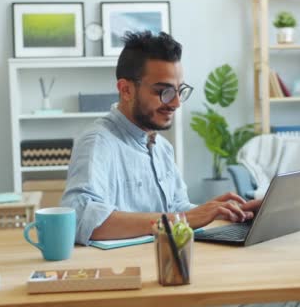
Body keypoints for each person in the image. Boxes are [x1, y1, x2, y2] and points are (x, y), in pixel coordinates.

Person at [61, 31, 261, 245]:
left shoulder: (162, 147)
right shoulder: (97, 142)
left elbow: (176, 211)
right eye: (163, 91)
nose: (175, 103)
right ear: (126, 90)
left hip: (169, 261)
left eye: (178, 91)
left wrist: (221, 212)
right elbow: (80, 219)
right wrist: (183, 218)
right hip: (130, 270)